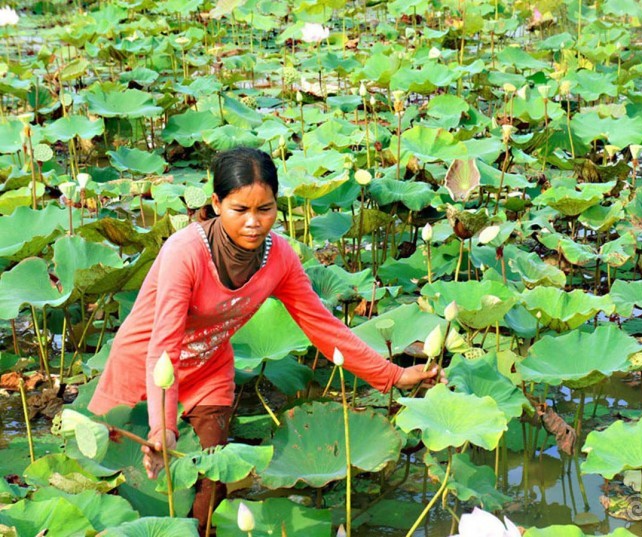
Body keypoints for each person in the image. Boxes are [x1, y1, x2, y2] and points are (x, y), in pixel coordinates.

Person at [87, 147, 444, 531]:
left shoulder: (280, 258)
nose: (254, 223)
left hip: (208, 370)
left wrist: (393, 375)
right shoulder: (185, 253)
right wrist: (162, 426)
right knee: (119, 494)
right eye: (240, 210)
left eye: (265, 209)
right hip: (145, 369)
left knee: (212, 482)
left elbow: (323, 327)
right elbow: (164, 347)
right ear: (217, 203)